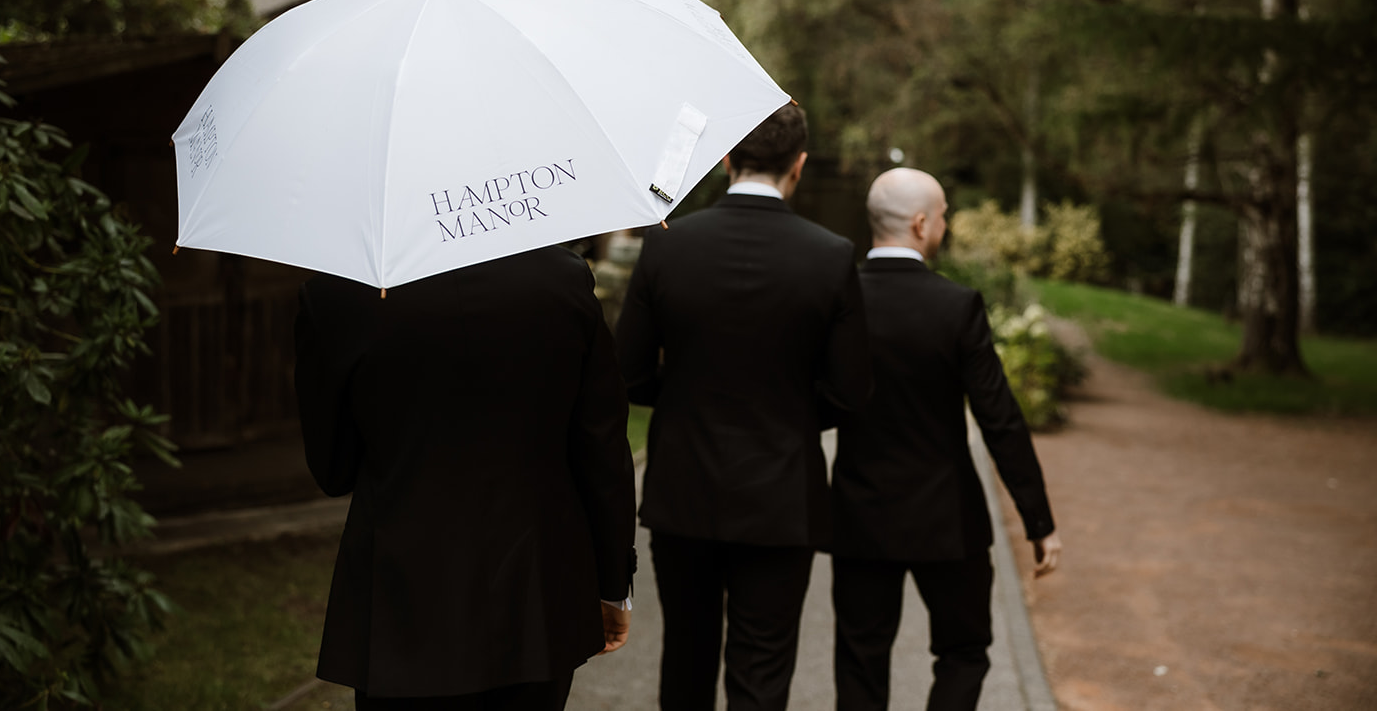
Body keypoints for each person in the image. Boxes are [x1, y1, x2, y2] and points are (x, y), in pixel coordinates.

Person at [294, 245, 638, 710]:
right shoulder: (561, 279)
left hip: (403, 598)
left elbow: (333, 470)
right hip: (536, 592)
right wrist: (613, 584)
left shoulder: (337, 295)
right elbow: (602, 446)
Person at [614, 102, 873, 711]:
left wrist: (683, 398)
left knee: (686, 659)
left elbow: (627, 374)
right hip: (782, 497)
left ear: (727, 158)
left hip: (684, 488)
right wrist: (791, 414)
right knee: (763, 670)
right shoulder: (831, 254)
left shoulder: (668, 245)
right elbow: (850, 392)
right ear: (799, 165)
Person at [831, 167, 1063, 711]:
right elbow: (999, 419)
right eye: (942, 216)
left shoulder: (839, 302)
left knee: (861, 659)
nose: (946, 224)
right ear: (920, 224)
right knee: (964, 652)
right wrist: (1038, 520)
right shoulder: (957, 306)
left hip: (860, 515)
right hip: (947, 518)